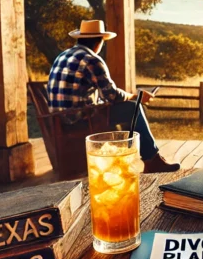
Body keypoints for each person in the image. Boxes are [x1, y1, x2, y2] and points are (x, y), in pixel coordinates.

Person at [47, 19, 180, 173]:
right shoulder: (92, 60)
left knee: (122, 111)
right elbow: (112, 96)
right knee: (133, 109)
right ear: (99, 41)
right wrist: (135, 96)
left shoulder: (62, 56)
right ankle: (151, 160)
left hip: (58, 119)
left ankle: (133, 158)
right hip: (80, 119)